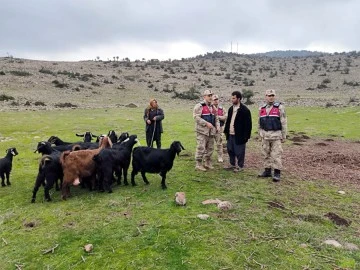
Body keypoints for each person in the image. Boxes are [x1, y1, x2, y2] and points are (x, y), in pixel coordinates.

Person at [258, 89, 287, 182]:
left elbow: (283, 122)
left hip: (276, 135)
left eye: (272, 95)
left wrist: (284, 135)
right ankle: (267, 171)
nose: (271, 97)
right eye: (269, 95)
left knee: (276, 155)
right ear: (265, 96)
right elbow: (259, 123)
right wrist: (260, 134)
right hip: (265, 136)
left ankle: (277, 173)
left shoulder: (279, 107)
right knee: (265, 154)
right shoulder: (262, 108)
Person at [223, 91, 252, 172]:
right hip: (230, 134)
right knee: (230, 150)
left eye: (233, 98)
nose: (232, 100)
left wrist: (246, 136)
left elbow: (248, 125)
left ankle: (240, 166)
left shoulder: (244, 110)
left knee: (239, 151)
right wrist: (226, 131)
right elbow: (228, 121)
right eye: (231, 98)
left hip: (239, 135)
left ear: (238, 99)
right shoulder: (230, 109)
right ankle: (232, 164)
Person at [193, 89, 220, 171]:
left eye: (211, 95)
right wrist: (206, 123)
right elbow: (196, 117)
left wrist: (217, 126)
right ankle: (198, 164)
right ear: (204, 96)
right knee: (201, 147)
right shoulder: (199, 106)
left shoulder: (213, 107)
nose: (210, 97)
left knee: (210, 148)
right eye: (209, 95)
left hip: (211, 132)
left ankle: (207, 162)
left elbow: (216, 118)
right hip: (202, 131)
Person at [212, 95, 227, 163]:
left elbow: (225, 116)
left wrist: (218, 117)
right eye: (214, 99)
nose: (216, 101)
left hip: (220, 127)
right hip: (211, 128)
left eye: (217, 99)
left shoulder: (222, 108)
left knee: (219, 143)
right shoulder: (210, 108)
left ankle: (220, 156)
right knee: (209, 143)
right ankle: (207, 157)